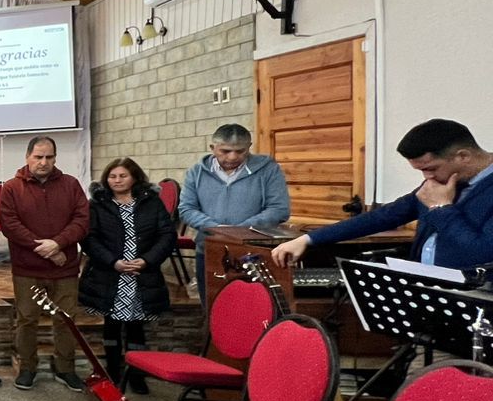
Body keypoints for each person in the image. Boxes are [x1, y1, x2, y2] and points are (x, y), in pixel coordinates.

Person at [272, 119, 493, 274]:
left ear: (463, 156)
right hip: (428, 291)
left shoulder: (441, 195)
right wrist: (308, 239)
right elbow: (382, 217)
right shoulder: (441, 184)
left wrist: (442, 209)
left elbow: (482, 254)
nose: (427, 178)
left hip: (475, 300)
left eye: (431, 168)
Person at [0, 136, 89, 392]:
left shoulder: (71, 184)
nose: (43, 162)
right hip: (28, 268)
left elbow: (82, 220)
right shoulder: (12, 187)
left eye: (49, 157)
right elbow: (10, 224)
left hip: (64, 268)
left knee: (66, 320)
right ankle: (27, 368)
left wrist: (58, 243)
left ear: (55, 158)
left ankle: (65, 369)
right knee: (27, 319)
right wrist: (47, 250)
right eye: (38, 157)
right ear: (28, 157)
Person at [78, 158, 176, 395]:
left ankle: (136, 375)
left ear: (134, 177)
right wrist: (113, 262)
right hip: (110, 273)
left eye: (123, 176)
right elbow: (89, 238)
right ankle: (113, 372)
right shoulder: (98, 204)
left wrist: (147, 260)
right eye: (112, 176)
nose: (117, 180)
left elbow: (166, 235)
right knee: (111, 325)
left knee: (136, 327)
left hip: (142, 274)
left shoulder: (151, 202)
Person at [178, 124, 291, 284]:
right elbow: (186, 209)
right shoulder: (196, 172)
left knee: (255, 299)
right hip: (209, 248)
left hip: (254, 250)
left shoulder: (268, 170)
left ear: (249, 147)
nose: (232, 157)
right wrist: (215, 228)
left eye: (240, 151)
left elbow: (279, 209)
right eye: (225, 151)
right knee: (212, 298)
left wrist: (239, 231)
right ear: (212, 148)